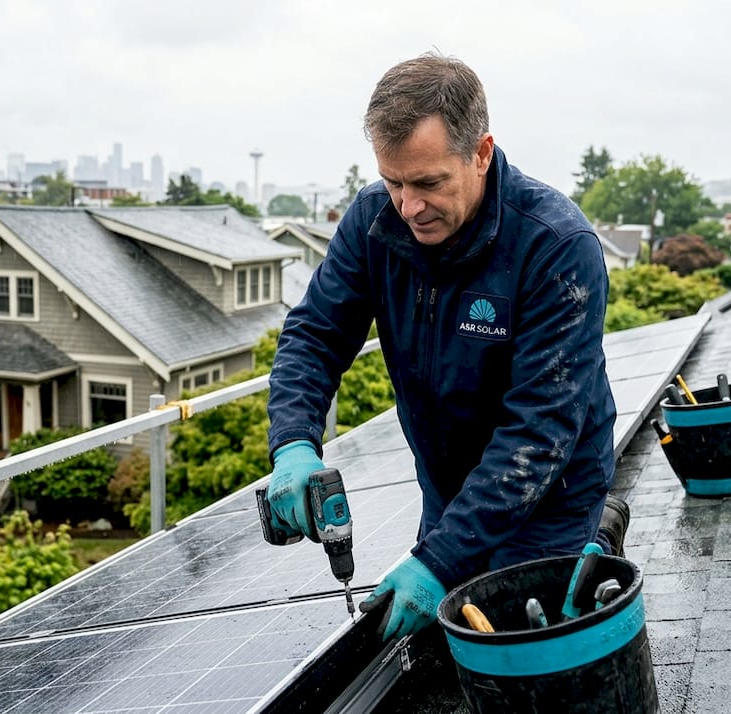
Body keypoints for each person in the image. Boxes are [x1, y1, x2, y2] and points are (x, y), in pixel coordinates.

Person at [264, 52, 628, 642]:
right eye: (393, 181)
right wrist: (294, 444)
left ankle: (598, 530)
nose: (408, 207)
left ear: (481, 153)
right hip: (448, 486)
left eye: (429, 183)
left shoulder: (556, 246)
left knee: (521, 649)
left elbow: (539, 432)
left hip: (548, 494)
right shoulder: (373, 221)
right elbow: (315, 334)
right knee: (439, 636)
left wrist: (438, 561)